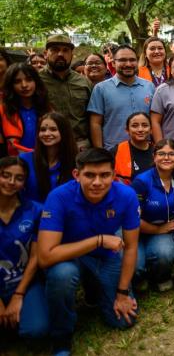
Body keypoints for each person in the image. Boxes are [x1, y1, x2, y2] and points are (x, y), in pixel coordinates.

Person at [37, 148, 139, 355]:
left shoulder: (126, 195)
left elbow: (130, 246)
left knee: (124, 320)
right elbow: (45, 256)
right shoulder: (58, 197)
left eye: (104, 175)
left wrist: (122, 293)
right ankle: (61, 337)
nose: (97, 182)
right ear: (77, 175)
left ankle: (95, 291)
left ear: (114, 175)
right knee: (62, 275)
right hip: (68, 256)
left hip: (105, 256)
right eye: (89, 175)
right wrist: (98, 241)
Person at [0, 156, 49, 340]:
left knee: (37, 330)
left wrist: (18, 294)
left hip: (24, 283)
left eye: (19, 178)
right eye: (5, 175)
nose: (11, 182)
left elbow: (36, 257)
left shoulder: (35, 210)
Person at [131, 139, 174, 291]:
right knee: (136, 267)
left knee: (165, 252)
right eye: (161, 154)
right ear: (154, 157)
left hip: (164, 232)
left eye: (172, 154)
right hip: (138, 232)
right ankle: (141, 276)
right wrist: (156, 230)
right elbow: (132, 218)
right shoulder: (141, 182)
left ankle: (161, 276)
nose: (166, 158)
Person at [88, 45, 155, 151]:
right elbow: (95, 123)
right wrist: (100, 152)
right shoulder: (101, 88)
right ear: (113, 63)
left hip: (145, 150)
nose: (128, 64)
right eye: (122, 60)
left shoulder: (149, 86)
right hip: (113, 151)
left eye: (132, 60)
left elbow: (154, 119)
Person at [39, 35, 92, 150]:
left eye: (65, 51)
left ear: (72, 55)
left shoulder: (84, 82)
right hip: (47, 145)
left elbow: (93, 118)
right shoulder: (36, 80)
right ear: (45, 53)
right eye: (55, 50)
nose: (60, 54)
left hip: (80, 145)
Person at [19, 113, 77, 203]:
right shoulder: (25, 159)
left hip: (64, 214)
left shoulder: (76, 161)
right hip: (32, 214)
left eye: (53, 129)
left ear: (64, 132)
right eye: (42, 130)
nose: (46, 133)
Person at [1, 64, 50, 156]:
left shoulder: (47, 109)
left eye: (29, 80)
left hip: (45, 162)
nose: (24, 85)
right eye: (17, 81)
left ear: (36, 82)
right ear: (10, 85)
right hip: (14, 164)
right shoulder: (4, 111)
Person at [112, 112, 154, 185]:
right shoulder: (117, 151)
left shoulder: (158, 152)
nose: (140, 129)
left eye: (145, 125)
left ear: (151, 130)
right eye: (135, 126)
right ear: (127, 130)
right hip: (124, 194)